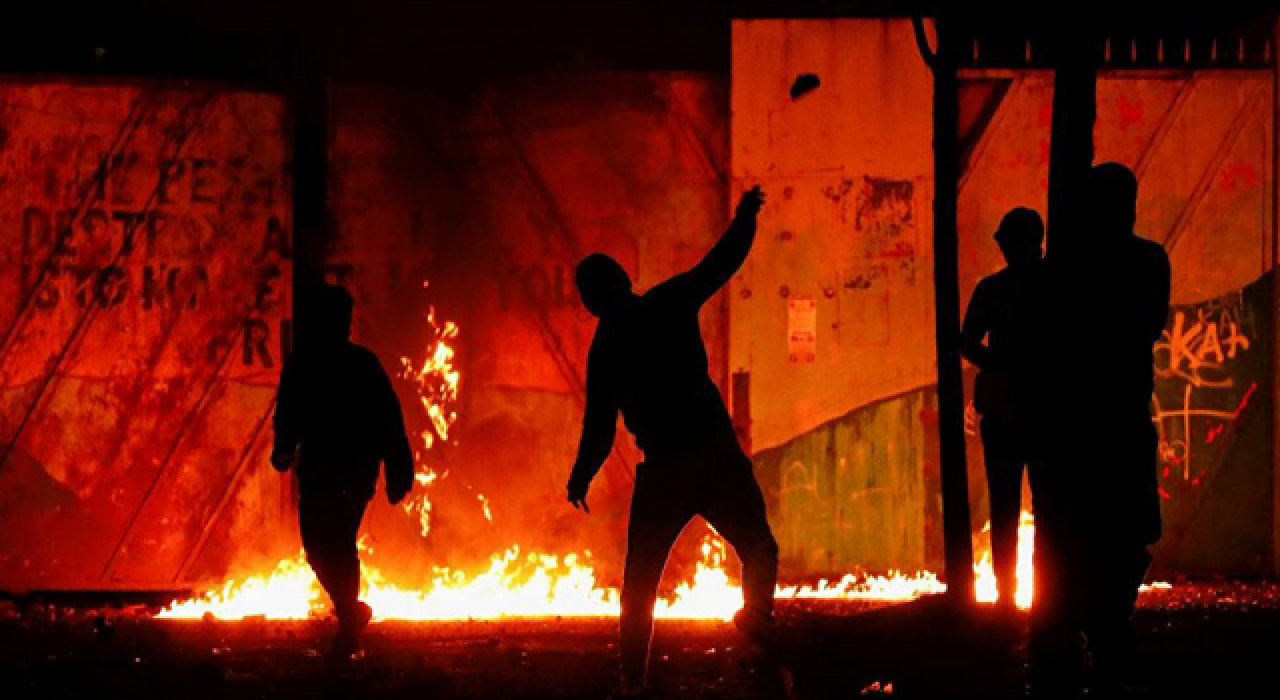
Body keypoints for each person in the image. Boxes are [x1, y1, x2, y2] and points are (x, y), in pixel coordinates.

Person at [567, 186, 778, 698]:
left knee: (639, 582)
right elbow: (722, 263)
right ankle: (756, 628)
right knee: (757, 545)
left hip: (665, 467)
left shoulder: (606, 349)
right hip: (712, 450)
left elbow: (599, 425)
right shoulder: (668, 302)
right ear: (623, 282)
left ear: (591, 302)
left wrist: (580, 475)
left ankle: (632, 679)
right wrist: (745, 218)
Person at [1026, 163, 1170, 698]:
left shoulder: (1061, 269)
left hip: (1071, 427)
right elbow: (1145, 326)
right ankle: (1102, 630)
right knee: (1123, 537)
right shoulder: (1146, 261)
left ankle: (1074, 635)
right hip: (1119, 419)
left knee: (1070, 538)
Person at [271, 283, 414, 656]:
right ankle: (351, 612)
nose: (344, 327)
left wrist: (399, 468)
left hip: (353, 469)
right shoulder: (303, 364)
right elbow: (288, 410)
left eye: (346, 320)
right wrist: (283, 448)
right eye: (338, 319)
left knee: (339, 542)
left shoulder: (362, 365)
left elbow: (388, 419)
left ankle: (349, 628)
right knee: (317, 547)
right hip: (319, 469)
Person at [959, 207, 1045, 612]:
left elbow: (967, 342)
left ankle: (1008, 594)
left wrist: (998, 363)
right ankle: (1048, 593)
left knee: (1004, 504)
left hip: (1004, 409)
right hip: (1047, 409)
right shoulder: (1055, 288)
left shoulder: (992, 290)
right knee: (1050, 505)